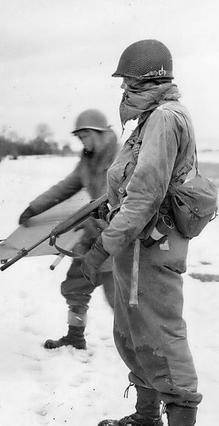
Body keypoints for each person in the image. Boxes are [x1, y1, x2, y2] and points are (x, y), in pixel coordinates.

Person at [81, 40, 201, 426]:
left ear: (148, 80)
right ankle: (146, 417)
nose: (122, 89)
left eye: (128, 81)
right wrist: (110, 202)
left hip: (152, 245)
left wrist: (102, 246)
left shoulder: (165, 118)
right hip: (138, 246)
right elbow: (136, 184)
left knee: (162, 338)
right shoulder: (151, 119)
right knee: (134, 333)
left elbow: (147, 195)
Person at [18, 109, 118, 350]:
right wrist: (34, 208)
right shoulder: (86, 163)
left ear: (100, 134)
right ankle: (75, 336)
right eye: (80, 137)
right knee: (75, 286)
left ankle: (142, 349)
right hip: (92, 237)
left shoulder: (122, 159)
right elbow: (64, 188)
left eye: (86, 136)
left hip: (116, 242)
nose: (82, 142)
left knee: (120, 300)